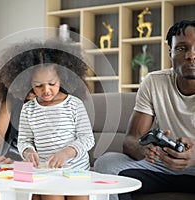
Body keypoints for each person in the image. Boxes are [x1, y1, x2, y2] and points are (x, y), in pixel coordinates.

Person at [93, 19, 195, 199]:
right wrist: (143, 150)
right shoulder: (154, 82)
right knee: (106, 163)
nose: (191, 55)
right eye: (181, 48)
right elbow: (131, 139)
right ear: (170, 52)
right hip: (160, 165)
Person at [17, 46, 95, 200]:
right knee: (51, 195)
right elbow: (24, 140)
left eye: (52, 83)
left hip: (76, 171)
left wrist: (66, 152)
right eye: (38, 86)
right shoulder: (28, 109)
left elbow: (87, 138)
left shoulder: (74, 104)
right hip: (47, 172)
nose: (46, 90)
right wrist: (28, 152)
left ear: (62, 78)